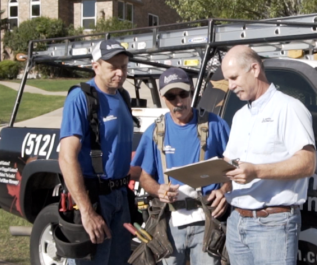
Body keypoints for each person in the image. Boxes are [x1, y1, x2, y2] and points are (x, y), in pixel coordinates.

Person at [221, 45, 317, 265]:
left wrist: (256, 171)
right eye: (227, 80)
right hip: (237, 221)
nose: (230, 86)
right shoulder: (240, 116)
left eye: (234, 78)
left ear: (254, 69)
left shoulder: (289, 108)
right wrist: (221, 185)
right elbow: (231, 162)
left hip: (273, 223)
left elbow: (307, 163)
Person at [131, 67, 231, 265]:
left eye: (183, 94)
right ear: (163, 97)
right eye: (171, 96)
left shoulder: (215, 124)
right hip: (169, 224)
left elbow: (234, 166)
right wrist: (159, 189)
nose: (178, 101)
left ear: (192, 92)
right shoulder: (155, 131)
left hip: (208, 223)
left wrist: (226, 191)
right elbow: (142, 174)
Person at [58, 39, 135, 265]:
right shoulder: (81, 98)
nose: (120, 73)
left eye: (124, 66)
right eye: (113, 67)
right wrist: (86, 211)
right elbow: (66, 156)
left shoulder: (123, 97)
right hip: (96, 199)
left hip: (121, 195)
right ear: (96, 66)